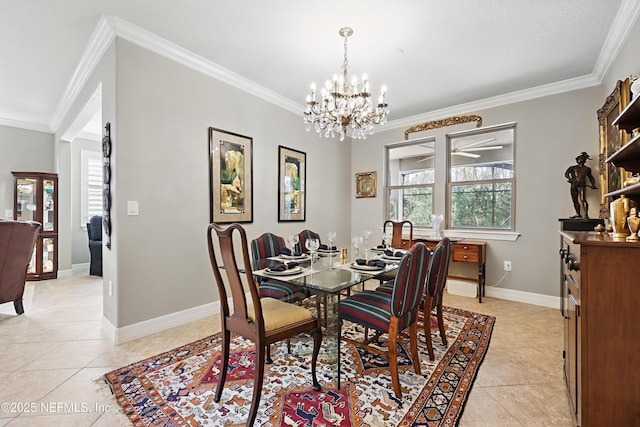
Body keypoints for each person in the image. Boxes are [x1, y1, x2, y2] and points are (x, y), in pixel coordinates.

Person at [565, 152, 597, 219]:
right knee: (575, 200)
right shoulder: (572, 168)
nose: (580, 161)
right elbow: (566, 174)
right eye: (579, 160)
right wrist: (570, 179)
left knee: (583, 199)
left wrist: (593, 184)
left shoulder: (587, 169)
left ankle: (586, 215)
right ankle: (578, 213)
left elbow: (591, 177)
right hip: (574, 185)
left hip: (582, 185)